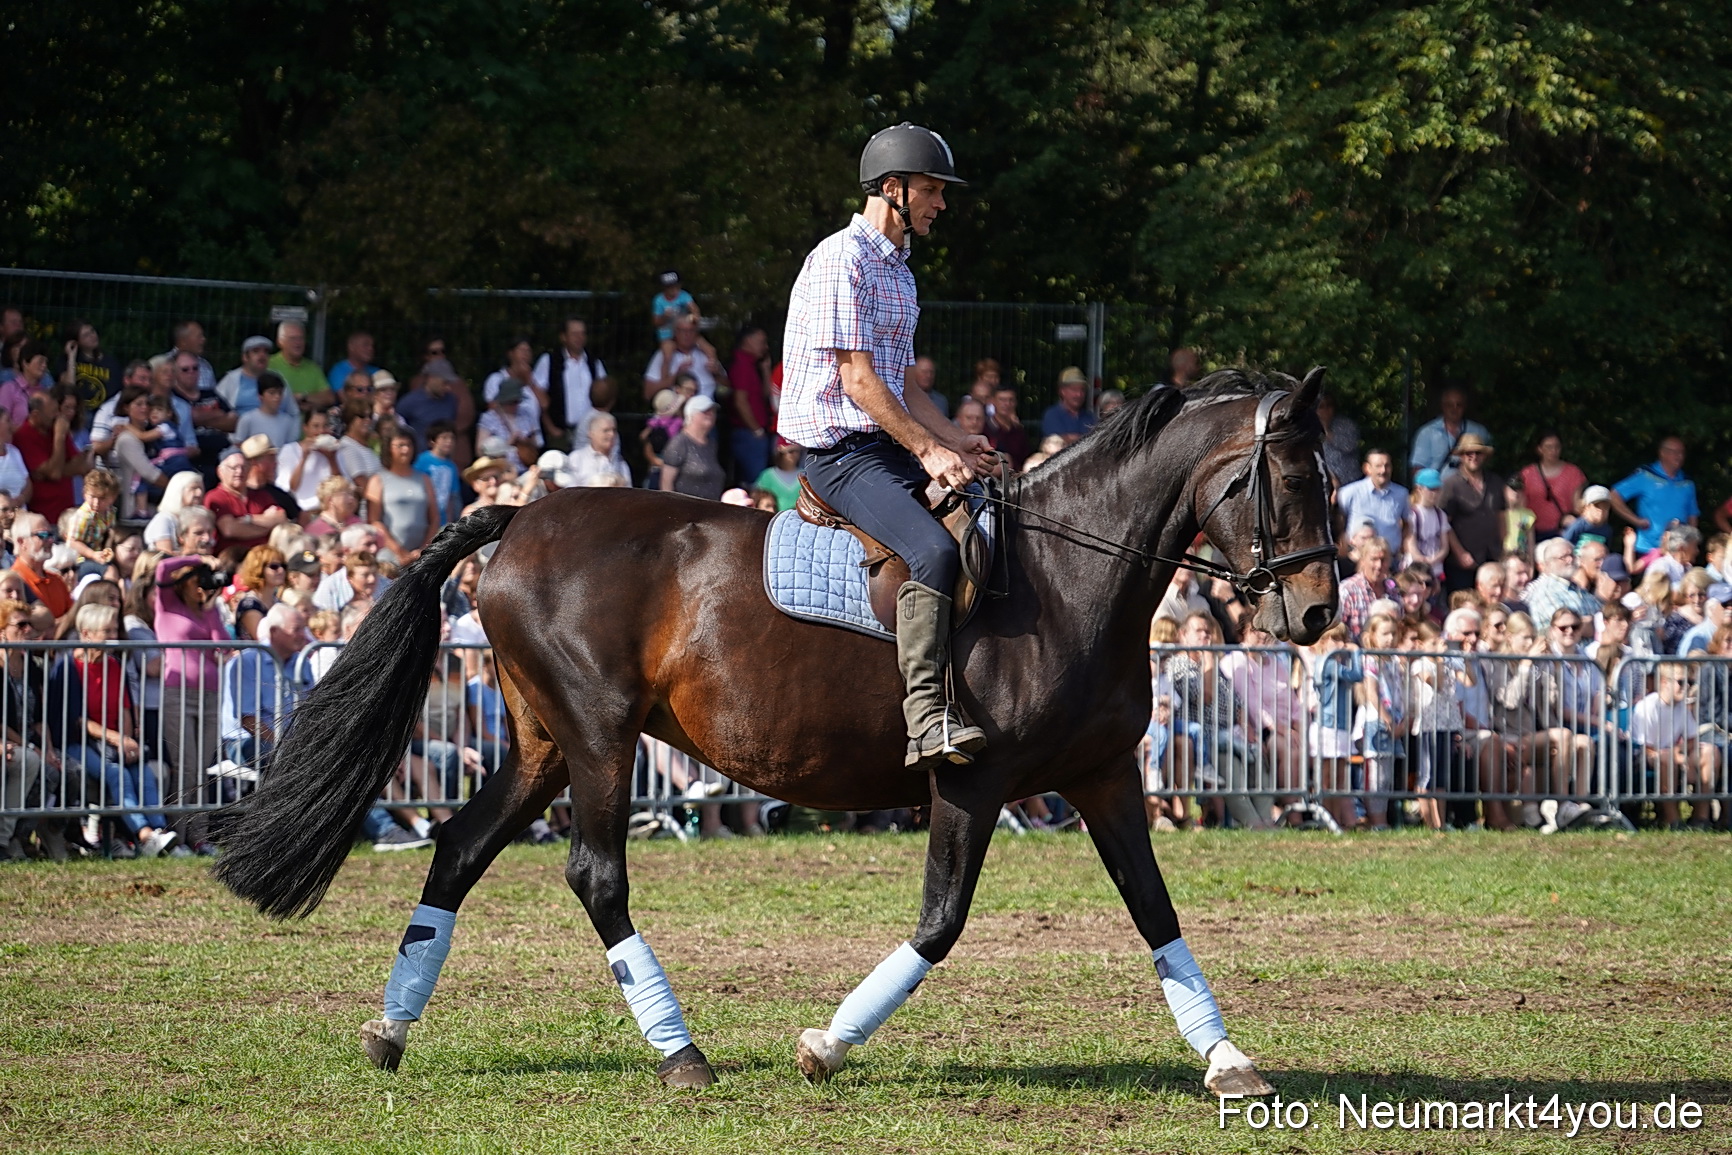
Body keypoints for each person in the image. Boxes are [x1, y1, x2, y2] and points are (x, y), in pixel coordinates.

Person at [779, 122, 989, 770]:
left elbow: (902, 384)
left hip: (884, 443)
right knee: (929, 549)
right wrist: (929, 453)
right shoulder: (842, 260)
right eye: (932, 190)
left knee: (984, 510)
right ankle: (925, 718)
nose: (941, 204)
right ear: (894, 189)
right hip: (839, 457)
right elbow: (859, 380)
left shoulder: (898, 273)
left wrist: (958, 439)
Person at [48, 602, 177, 857]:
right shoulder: (68, 667)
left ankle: (160, 832)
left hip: (112, 742)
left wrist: (127, 742)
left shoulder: (114, 665)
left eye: (114, 630)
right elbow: (77, 721)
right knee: (117, 774)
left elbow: (125, 708)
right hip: (78, 743)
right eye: (106, 631)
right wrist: (118, 740)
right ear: (86, 634)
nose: (113, 637)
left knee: (143, 771)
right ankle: (143, 835)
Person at [153, 556, 229, 840]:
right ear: (186, 581)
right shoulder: (167, 605)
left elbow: (223, 646)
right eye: (199, 580)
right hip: (177, 693)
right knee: (184, 766)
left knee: (202, 769)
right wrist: (198, 559)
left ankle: (199, 837)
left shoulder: (209, 610)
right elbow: (162, 569)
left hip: (211, 695)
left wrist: (210, 608)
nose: (203, 586)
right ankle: (178, 834)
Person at [220, 602, 313, 765]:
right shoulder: (247, 662)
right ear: (274, 631)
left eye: (303, 629)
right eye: (296, 630)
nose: (303, 636)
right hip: (246, 741)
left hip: (290, 741)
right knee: (288, 760)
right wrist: (285, 745)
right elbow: (248, 721)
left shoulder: (301, 662)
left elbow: (311, 708)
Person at [1631, 662, 1717, 829]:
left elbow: (1692, 739)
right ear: (1664, 682)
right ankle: (1673, 821)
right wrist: (1678, 758)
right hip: (1643, 756)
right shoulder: (1647, 707)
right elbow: (1645, 747)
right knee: (1666, 758)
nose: (1687, 687)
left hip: (1672, 753)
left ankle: (1701, 818)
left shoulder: (1682, 707)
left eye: (1690, 682)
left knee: (1710, 751)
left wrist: (1681, 756)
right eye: (1681, 682)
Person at [1439, 433, 1506, 592]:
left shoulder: (1495, 481)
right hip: (1461, 563)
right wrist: (1460, 553)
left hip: (1492, 557)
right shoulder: (1450, 484)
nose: (1473, 456)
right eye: (1469, 453)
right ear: (1461, 456)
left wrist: (1503, 549)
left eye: (1478, 453)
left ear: (1484, 456)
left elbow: (1501, 517)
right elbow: (1444, 523)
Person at [1610, 436, 1697, 557]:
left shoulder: (1687, 483)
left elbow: (1692, 515)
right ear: (1663, 453)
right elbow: (1614, 495)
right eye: (1675, 452)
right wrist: (1636, 520)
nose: (1680, 456)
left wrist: (1692, 541)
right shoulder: (1646, 476)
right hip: (1648, 550)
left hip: (1678, 551)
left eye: (1682, 452)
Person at [16, 386, 92, 524]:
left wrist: (52, 470)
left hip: (66, 513)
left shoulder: (55, 428)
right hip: (42, 517)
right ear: (35, 415)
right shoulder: (24, 436)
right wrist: (59, 437)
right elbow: (56, 473)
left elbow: (81, 466)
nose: (58, 416)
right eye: (52, 412)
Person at [364, 430, 439, 565]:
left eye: (409, 445)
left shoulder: (424, 479)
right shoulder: (377, 480)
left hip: (420, 557)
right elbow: (374, 521)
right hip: (389, 556)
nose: (406, 450)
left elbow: (434, 518)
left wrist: (424, 549)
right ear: (388, 449)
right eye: (400, 445)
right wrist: (398, 551)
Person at [532, 317, 607, 446]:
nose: (579, 337)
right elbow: (536, 395)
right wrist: (551, 428)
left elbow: (605, 395)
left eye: (583, 333)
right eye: (574, 334)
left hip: (589, 433)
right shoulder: (549, 361)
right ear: (563, 337)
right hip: (560, 432)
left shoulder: (594, 363)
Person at [205, 445, 289, 555]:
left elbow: (281, 518)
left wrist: (248, 520)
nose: (239, 471)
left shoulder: (261, 495)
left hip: (263, 557)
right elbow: (230, 530)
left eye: (243, 467)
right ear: (220, 471)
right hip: (233, 559)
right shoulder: (215, 497)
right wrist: (266, 526)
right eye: (234, 468)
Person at [107, 386, 168, 518]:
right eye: (139, 404)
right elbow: (149, 473)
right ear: (126, 408)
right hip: (134, 510)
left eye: (147, 403)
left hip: (154, 504)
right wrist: (177, 487)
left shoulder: (152, 432)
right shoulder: (126, 439)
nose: (145, 408)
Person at [1336, 450, 1408, 558]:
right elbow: (1337, 522)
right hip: (1357, 560)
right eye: (1378, 466)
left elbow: (1408, 525)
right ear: (1367, 468)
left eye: (1387, 465)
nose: (1383, 470)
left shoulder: (1401, 494)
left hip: (1391, 560)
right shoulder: (1349, 493)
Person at [1517, 432, 1586, 541]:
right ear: (1539, 449)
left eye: (1557, 447)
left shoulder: (1573, 472)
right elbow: (1521, 504)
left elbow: (1577, 505)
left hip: (1563, 529)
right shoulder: (1527, 474)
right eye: (1549, 447)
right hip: (1534, 531)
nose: (1553, 451)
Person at [1408, 386, 1489, 478]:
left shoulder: (1479, 431)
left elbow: (1488, 464)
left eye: (1459, 405)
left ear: (1465, 406)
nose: (1454, 409)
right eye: (1449, 405)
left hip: (1470, 490)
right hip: (1438, 489)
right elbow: (1418, 469)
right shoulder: (1427, 433)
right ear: (1442, 406)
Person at [728, 325, 774, 485]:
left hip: (754, 433)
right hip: (749, 434)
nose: (765, 347)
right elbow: (740, 401)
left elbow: (764, 396)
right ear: (748, 341)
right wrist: (756, 429)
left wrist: (766, 370)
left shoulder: (751, 365)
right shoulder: (742, 366)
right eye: (761, 342)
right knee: (756, 482)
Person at [659, 396, 726, 501]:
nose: (710, 414)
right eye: (704, 411)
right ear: (691, 414)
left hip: (711, 510)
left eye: (712, 411)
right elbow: (666, 483)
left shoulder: (712, 445)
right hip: (686, 511)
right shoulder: (679, 442)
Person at [643, 315, 720, 400]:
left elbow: (728, 386)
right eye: (683, 331)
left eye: (691, 330)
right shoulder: (664, 355)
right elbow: (648, 393)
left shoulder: (706, 353)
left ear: (697, 334)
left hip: (706, 408)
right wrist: (677, 375)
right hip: (677, 408)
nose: (687, 335)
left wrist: (717, 373)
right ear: (675, 333)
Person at [58, 319, 120, 422]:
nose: (92, 336)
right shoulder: (67, 361)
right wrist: (72, 357)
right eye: (86, 335)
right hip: (79, 414)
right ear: (76, 341)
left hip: (103, 414)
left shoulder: (110, 362)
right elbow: (69, 387)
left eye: (92, 331)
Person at [1337, 537, 1398, 642]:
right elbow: (1337, 630)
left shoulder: (1394, 591)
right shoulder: (1348, 590)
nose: (1379, 565)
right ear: (1363, 560)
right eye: (1374, 559)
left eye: (1383, 560)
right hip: (1356, 654)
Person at [397, 358, 461, 452]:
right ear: (431, 378)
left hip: (443, 459)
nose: (448, 388)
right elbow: (398, 428)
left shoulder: (451, 401)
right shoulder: (410, 402)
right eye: (445, 382)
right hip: (417, 460)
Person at [65, 468, 120, 576]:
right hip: (81, 561)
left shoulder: (110, 513)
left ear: (113, 498)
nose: (96, 503)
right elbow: (72, 542)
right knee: (110, 573)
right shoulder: (83, 516)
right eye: (93, 497)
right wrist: (93, 554)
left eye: (102, 498)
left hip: (100, 556)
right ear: (85, 494)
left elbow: (109, 535)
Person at [267, 319, 329, 411]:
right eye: (292, 338)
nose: (298, 343)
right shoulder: (268, 365)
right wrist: (294, 401)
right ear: (280, 342)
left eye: (301, 338)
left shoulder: (313, 368)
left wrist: (302, 397)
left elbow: (329, 397)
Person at [230, 546, 286, 642]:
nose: (281, 570)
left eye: (283, 566)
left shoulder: (278, 602)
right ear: (259, 569)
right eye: (274, 567)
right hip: (254, 656)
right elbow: (262, 638)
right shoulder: (249, 604)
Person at [234, 372, 300, 450]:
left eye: (280, 393)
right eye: (272, 393)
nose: (277, 397)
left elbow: (291, 448)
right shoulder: (247, 419)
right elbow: (239, 446)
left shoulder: (287, 420)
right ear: (260, 396)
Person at [413, 421, 462, 526]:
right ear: (432, 440)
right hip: (423, 518)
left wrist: (450, 522)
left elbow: (451, 496)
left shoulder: (452, 466)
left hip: (443, 520)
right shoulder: (421, 460)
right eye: (444, 438)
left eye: (452, 438)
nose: (449, 441)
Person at [564, 413, 632, 489]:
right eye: (606, 430)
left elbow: (629, 493)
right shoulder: (576, 459)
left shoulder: (620, 462)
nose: (611, 434)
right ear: (591, 434)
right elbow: (569, 492)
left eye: (614, 430)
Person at [143, 473, 205, 554]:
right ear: (178, 491)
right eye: (194, 488)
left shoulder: (193, 521)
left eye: (201, 489)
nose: (199, 493)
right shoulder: (164, 520)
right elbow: (165, 555)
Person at [216, 336, 274, 417]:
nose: (262, 355)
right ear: (245, 357)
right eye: (256, 351)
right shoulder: (231, 379)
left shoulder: (276, 379)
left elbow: (292, 411)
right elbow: (216, 407)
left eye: (266, 352)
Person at [1314, 391, 1361, 489]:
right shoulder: (1308, 428)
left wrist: (1326, 429)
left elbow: (1349, 446)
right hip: (1320, 484)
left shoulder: (1346, 425)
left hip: (1348, 482)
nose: (1326, 410)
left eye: (1329, 406)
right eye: (1321, 407)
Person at [1040, 367, 1095, 444]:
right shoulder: (1052, 415)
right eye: (1074, 390)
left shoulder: (1089, 417)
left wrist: (1070, 438)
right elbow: (1057, 443)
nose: (1079, 394)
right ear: (1062, 391)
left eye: (1082, 390)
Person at [987, 383, 1030, 470]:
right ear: (992, 401)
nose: (1007, 404)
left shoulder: (1019, 431)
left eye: (1011, 400)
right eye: (1002, 400)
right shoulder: (985, 428)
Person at [753, 440, 804, 512]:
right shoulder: (767, 475)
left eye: (797, 451)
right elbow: (758, 499)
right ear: (781, 453)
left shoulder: (805, 476)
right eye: (790, 452)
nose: (794, 455)